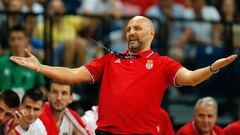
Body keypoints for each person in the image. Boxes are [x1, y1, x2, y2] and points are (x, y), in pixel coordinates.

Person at [10, 16, 237, 134]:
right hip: (106, 134)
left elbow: (190, 78)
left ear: (151, 33)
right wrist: (40, 67)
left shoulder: (163, 63)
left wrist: (212, 68)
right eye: (128, 29)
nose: (131, 32)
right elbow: (72, 74)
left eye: (136, 28)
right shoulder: (110, 60)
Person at [0, 25, 46, 98]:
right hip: (5, 104)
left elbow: (41, 87)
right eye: (13, 39)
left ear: (26, 40)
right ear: (8, 41)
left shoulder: (34, 62)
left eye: (19, 39)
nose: (16, 42)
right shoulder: (1, 62)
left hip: (28, 104)